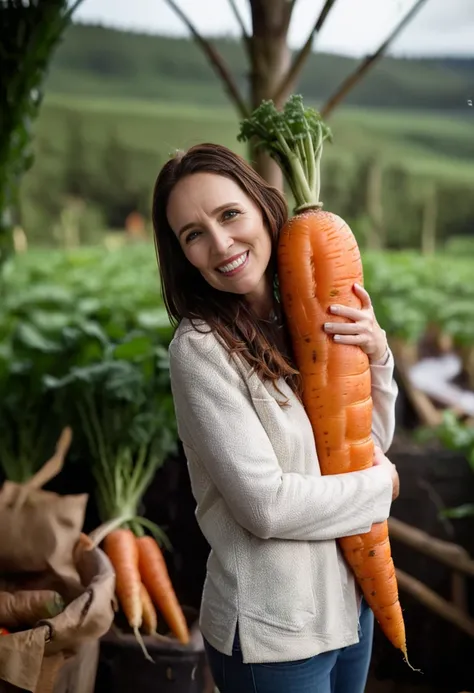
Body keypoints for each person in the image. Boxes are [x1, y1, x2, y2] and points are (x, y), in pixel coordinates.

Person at [152, 142, 399, 693]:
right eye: (193, 234)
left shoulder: (310, 310)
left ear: (263, 206)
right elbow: (265, 507)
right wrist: (380, 485)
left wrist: (377, 357)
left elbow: (368, 443)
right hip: (276, 633)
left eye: (229, 214)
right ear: (182, 253)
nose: (220, 244)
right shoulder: (200, 350)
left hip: (350, 603)